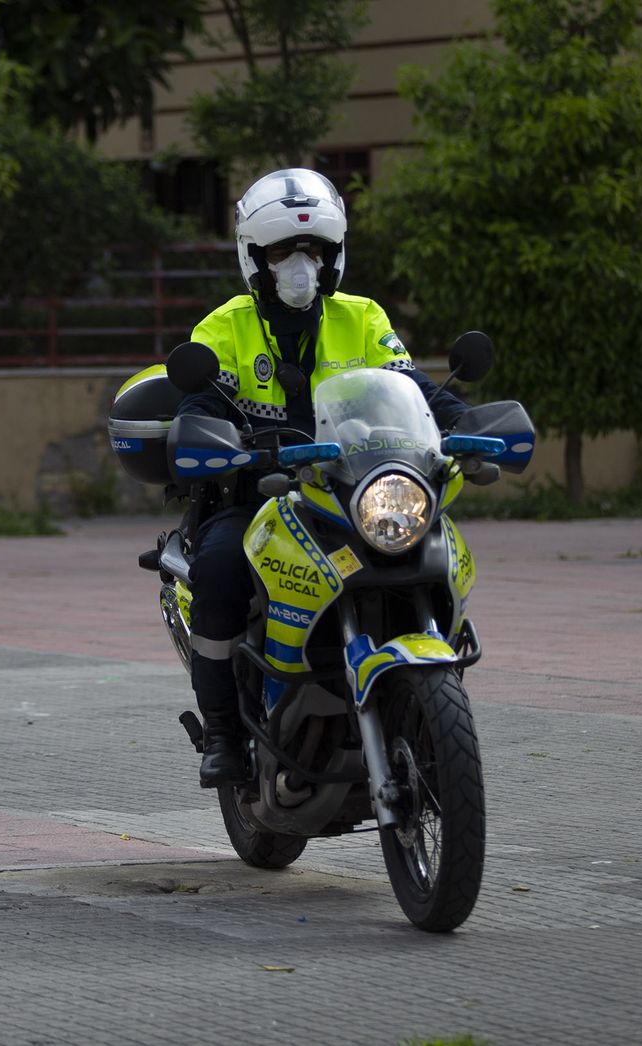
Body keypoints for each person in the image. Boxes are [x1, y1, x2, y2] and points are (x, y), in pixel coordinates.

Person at [177, 168, 470, 787]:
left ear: (334, 257)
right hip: (257, 495)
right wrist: (205, 436)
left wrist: (462, 419)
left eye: (313, 250)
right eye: (283, 251)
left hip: (350, 488)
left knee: (426, 547)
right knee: (222, 565)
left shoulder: (361, 318)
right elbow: (197, 406)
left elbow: (410, 386)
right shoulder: (223, 326)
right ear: (255, 259)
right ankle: (226, 732)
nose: (300, 265)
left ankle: (425, 704)